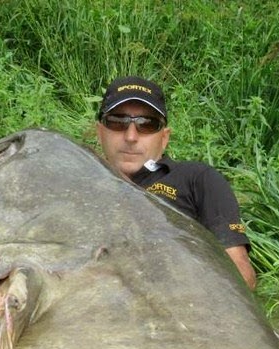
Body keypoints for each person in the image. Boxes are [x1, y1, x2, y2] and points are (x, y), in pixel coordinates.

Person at [96, 76, 257, 290]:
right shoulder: (78, 186)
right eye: (118, 121)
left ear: (164, 138)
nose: (131, 136)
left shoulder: (198, 178)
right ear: (100, 132)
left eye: (146, 124)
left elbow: (241, 274)